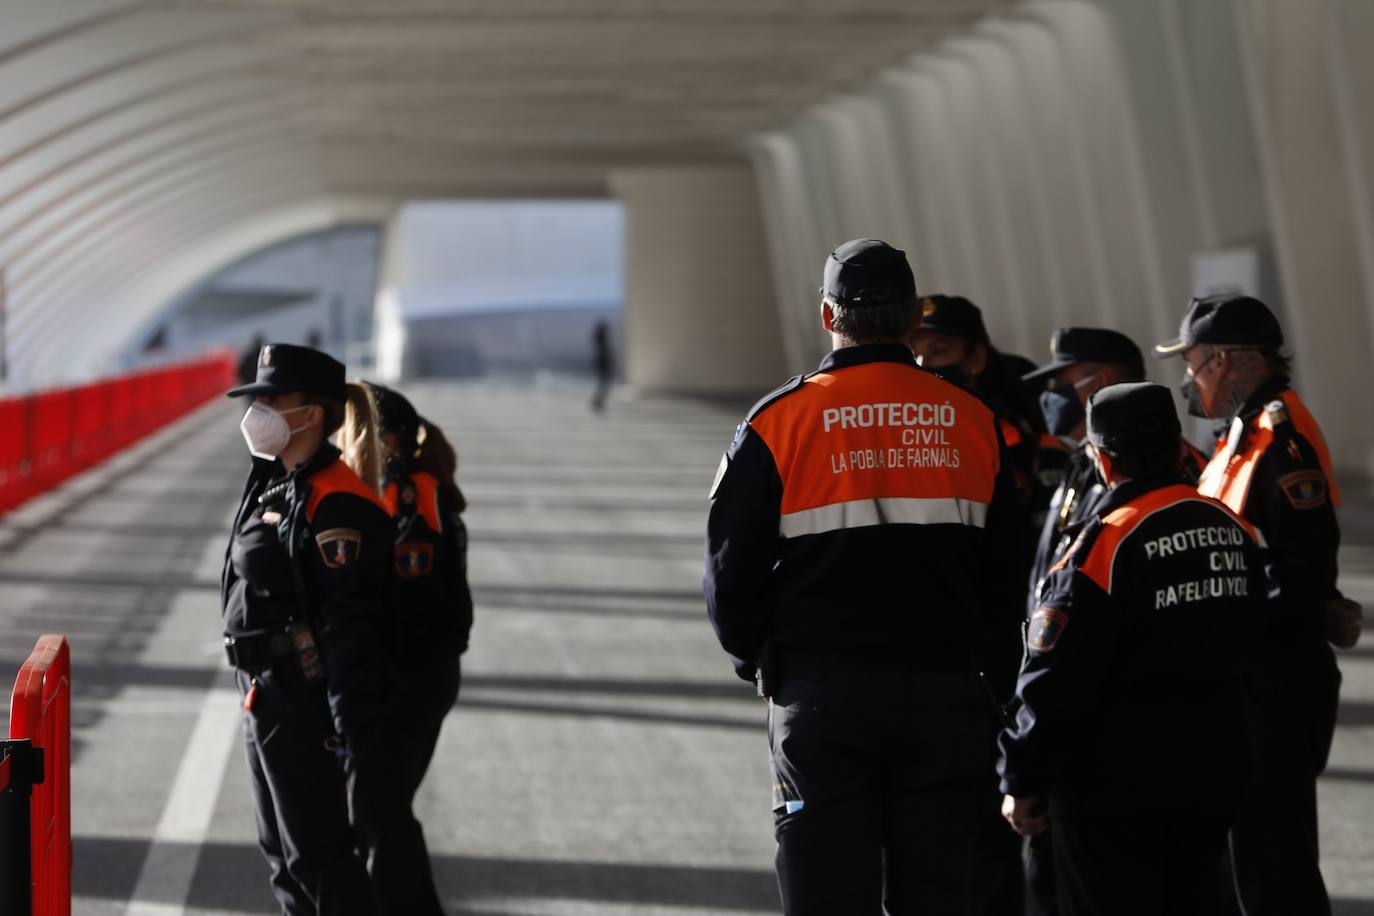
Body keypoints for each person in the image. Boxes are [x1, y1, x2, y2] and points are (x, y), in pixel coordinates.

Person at [704, 239, 1021, 914]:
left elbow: (731, 571)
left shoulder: (777, 422)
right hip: (946, 695)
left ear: (828, 316)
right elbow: (1011, 571)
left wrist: (762, 661)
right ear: (911, 320)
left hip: (821, 695)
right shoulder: (975, 421)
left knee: (826, 894)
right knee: (939, 894)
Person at [998, 382, 1266, 915]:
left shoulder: (1103, 546)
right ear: (1174, 445)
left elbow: (1055, 682)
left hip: (1115, 786)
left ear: (1101, 459)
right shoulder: (1233, 528)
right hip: (1217, 768)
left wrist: (1021, 779)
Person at [1155, 294, 1363, 915]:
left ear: (1221, 360)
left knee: (1276, 871)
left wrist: (1224, 624)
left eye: (1191, 362)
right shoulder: (1242, 437)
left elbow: (1302, 574)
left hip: (1273, 683)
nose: (1188, 378)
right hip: (1248, 680)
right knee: (1249, 865)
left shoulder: (1282, 442)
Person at [222, 343, 390, 915]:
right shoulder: (280, 485)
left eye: (272, 399)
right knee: (285, 860)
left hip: (303, 700)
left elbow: (351, 624)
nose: (257, 411)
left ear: (312, 413)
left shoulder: (339, 504)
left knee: (319, 861)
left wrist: (347, 729)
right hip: (266, 693)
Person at [366, 383, 473, 799]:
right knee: (382, 811)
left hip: (413, 677)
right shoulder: (409, 487)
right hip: (424, 672)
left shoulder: (406, 496)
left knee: (381, 811)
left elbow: (412, 608)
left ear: (388, 440)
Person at [591, 319, 613, 413]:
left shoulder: (601, 345)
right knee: (603, 386)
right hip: (603, 366)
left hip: (603, 366)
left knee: (603, 386)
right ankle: (597, 403)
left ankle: (598, 403)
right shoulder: (602, 346)